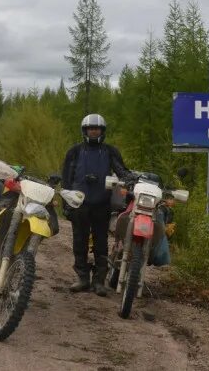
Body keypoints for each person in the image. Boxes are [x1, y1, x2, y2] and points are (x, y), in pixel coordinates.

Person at [61, 113, 130, 296]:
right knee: (79, 242)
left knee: (101, 243)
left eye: (97, 129)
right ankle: (82, 278)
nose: (93, 131)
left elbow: (121, 171)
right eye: (90, 129)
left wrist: (131, 179)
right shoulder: (74, 152)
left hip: (102, 203)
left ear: (102, 131)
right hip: (79, 204)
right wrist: (66, 204)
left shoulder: (110, 151)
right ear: (85, 131)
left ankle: (99, 281)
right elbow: (66, 180)